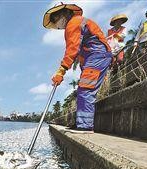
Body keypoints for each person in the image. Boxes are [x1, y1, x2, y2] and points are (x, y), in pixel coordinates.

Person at [43, 3, 112, 133]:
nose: (56, 23)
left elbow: (72, 50)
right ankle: (82, 123)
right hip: (95, 57)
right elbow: (79, 51)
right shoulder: (77, 23)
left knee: (86, 89)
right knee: (83, 89)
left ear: (65, 14)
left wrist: (61, 71)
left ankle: (85, 126)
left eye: (55, 19)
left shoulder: (73, 23)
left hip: (97, 56)